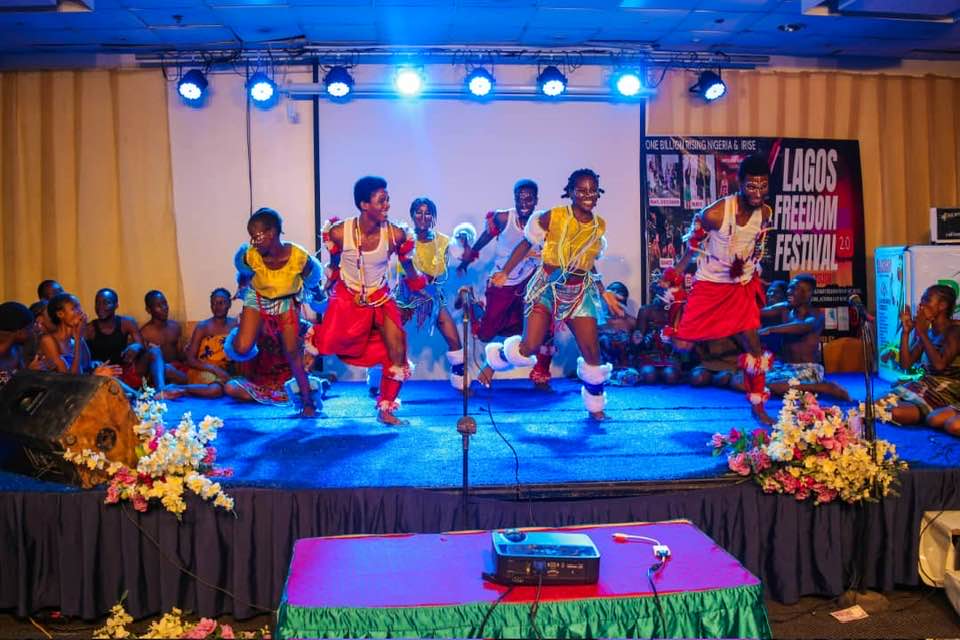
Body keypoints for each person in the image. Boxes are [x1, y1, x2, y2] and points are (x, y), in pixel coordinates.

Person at [483, 168, 624, 420]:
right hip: (546, 287)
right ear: (570, 192)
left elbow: (587, 262)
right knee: (530, 346)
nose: (587, 195)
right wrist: (505, 272)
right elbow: (526, 243)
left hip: (578, 292)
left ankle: (596, 407)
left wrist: (604, 292)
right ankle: (499, 356)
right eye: (581, 190)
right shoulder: (554, 216)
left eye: (592, 190)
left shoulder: (598, 226)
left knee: (592, 351)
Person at [311, 176, 425, 426]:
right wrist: (327, 283)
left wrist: (419, 286)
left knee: (397, 350)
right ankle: (304, 393)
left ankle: (385, 409)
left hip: (380, 297)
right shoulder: (339, 232)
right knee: (327, 343)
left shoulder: (395, 234)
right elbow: (334, 263)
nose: (387, 205)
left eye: (388, 199)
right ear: (364, 204)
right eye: (381, 200)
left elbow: (408, 267)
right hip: (347, 298)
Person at [671, 154, 776, 424]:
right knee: (682, 344)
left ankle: (758, 406)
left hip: (740, 287)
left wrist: (752, 268)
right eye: (751, 186)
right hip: (710, 284)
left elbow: (755, 244)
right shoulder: (715, 213)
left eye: (763, 186)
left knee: (754, 347)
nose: (758, 193)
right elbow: (693, 246)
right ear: (739, 183)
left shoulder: (765, 213)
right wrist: (676, 274)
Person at [457, 179, 556, 388]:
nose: (524, 204)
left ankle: (541, 373)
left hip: (530, 281)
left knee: (541, 326)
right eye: (520, 199)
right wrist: (467, 259)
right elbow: (485, 238)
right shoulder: (504, 218)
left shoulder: (543, 222)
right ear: (514, 199)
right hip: (502, 281)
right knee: (485, 333)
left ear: (536, 200)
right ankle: (471, 300)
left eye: (529, 199)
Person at [224, 207, 323, 417]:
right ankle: (244, 333)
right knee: (242, 347)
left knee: (292, 352)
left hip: (286, 303)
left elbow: (313, 283)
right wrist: (241, 287)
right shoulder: (250, 256)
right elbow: (244, 274)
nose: (254, 242)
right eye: (251, 237)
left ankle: (308, 401)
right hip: (258, 299)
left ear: (272, 233)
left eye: (257, 236)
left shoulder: (298, 257)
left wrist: (320, 298)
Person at [393, 197, 465, 390]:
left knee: (453, 338)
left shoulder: (444, 241)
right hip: (406, 294)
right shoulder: (403, 239)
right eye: (419, 212)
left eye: (428, 213)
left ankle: (461, 385)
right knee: (388, 336)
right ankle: (378, 382)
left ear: (433, 217)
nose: (423, 217)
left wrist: (465, 241)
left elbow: (464, 255)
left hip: (432, 295)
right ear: (412, 215)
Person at [759, 274, 851, 401]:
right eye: (789, 288)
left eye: (794, 289)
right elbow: (759, 312)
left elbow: (803, 326)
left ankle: (826, 387)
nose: (789, 291)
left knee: (777, 387)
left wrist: (771, 330)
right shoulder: (784, 308)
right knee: (744, 380)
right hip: (785, 367)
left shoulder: (817, 315)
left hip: (808, 369)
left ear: (808, 294)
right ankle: (796, 387)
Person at [884, 284, 960, 432]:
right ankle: (920, 408)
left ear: (942, 305)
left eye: (927, 300)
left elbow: (939, 365)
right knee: (877, 404)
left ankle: (926, 410)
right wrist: (906, 332)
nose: (921, 304)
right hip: (926, 385)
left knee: (893, 412)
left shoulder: (954, 331)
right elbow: (906, 364)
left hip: (947, 390)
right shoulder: (929, 333)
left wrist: (921, 332)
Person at [85, 288, 169, 393]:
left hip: (127, 370)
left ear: (116, 305)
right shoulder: (89, 329)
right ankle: (136, 396)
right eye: (97, 303)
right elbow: (83, 360)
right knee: (110, 378)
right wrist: (92, 363)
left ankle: (161, 391)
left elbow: (141, 346)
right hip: (107, 374)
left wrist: (137, 346)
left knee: (155, 351)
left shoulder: (126, 322)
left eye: (106, 303)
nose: (100, 307)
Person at [39, 293, 121, 378]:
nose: (80, 311)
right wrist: (78, 339)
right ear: (60, 314)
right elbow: (70, 379)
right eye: (74, 308)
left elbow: (87, 368)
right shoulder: (48, 340)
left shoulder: (75, 339)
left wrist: (99, 370)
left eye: (79, 307)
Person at [176, 288, 237, 399]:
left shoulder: (235, 324)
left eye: (221, 303)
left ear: (229, 304)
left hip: (227, 370)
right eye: (214, 303)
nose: (217, 307)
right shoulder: (203, 327)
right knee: (215, 390)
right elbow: (191, 359)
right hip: (204, 369)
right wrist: (214, 369)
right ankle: (178, 389)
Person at [0, 301, 38, 387]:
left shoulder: (16, 349)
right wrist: (29, 372)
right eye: (30, 328)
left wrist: (30, 371)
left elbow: (21, 382)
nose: (32, 332)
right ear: (20, 332)